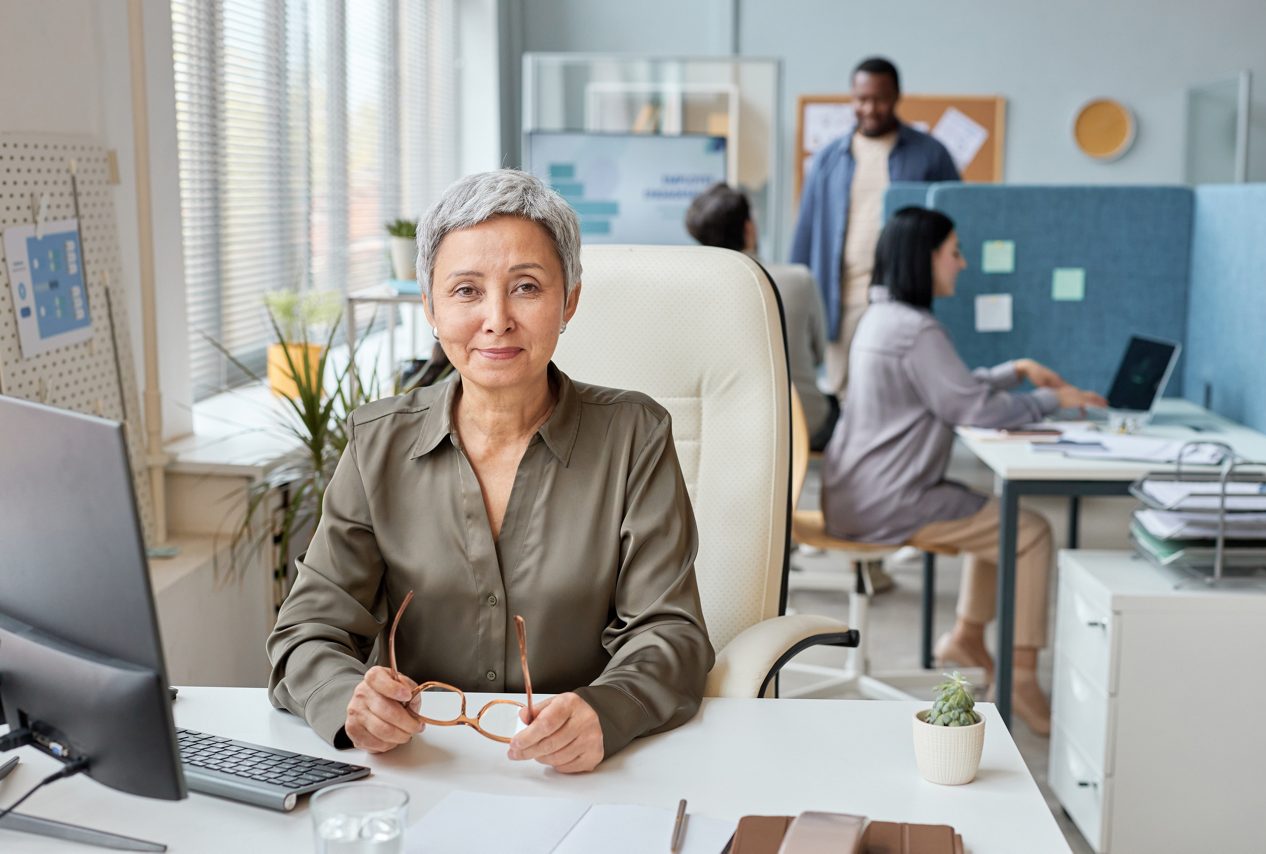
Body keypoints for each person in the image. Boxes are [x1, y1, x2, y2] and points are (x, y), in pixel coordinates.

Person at [267, 170, 715, 773]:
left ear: (570, 301)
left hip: (583, 774)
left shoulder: (635, 436)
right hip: (421, 767)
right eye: (466, 291)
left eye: (527, 287)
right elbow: (307, 632)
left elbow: (672, 634)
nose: (497, 319)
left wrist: (608, 709)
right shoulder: (377, 444)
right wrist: (350, 699)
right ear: (429, 305)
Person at [821, 207, 1106, 735]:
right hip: (890, 501)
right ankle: (1021, 678)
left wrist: (1014, 371)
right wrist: (1051, 398)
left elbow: (948, 387)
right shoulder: (917, 329)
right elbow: (973, 409)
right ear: (924, 257)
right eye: (953, 251)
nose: (962, 263)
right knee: (1030, 531)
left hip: (857, 492)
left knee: (998, 518)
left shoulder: (880, 319)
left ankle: (967, 636)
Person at [790, 57, 961, 401]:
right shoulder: (827, 160)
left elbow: (952, 229)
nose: (869, 108)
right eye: (860, 99)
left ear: (897, 96)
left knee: (900, 396)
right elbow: (805, 236)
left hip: (904, 300)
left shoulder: (930, 154)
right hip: (843, 301)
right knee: (844, 397)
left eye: (879, 99)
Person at [684, 182, 837, 449]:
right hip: (802, 426)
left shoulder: (691, 290)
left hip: (729, 428)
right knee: (834, 406)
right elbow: (818, 357)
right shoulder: (798, 279)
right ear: (749, 229)